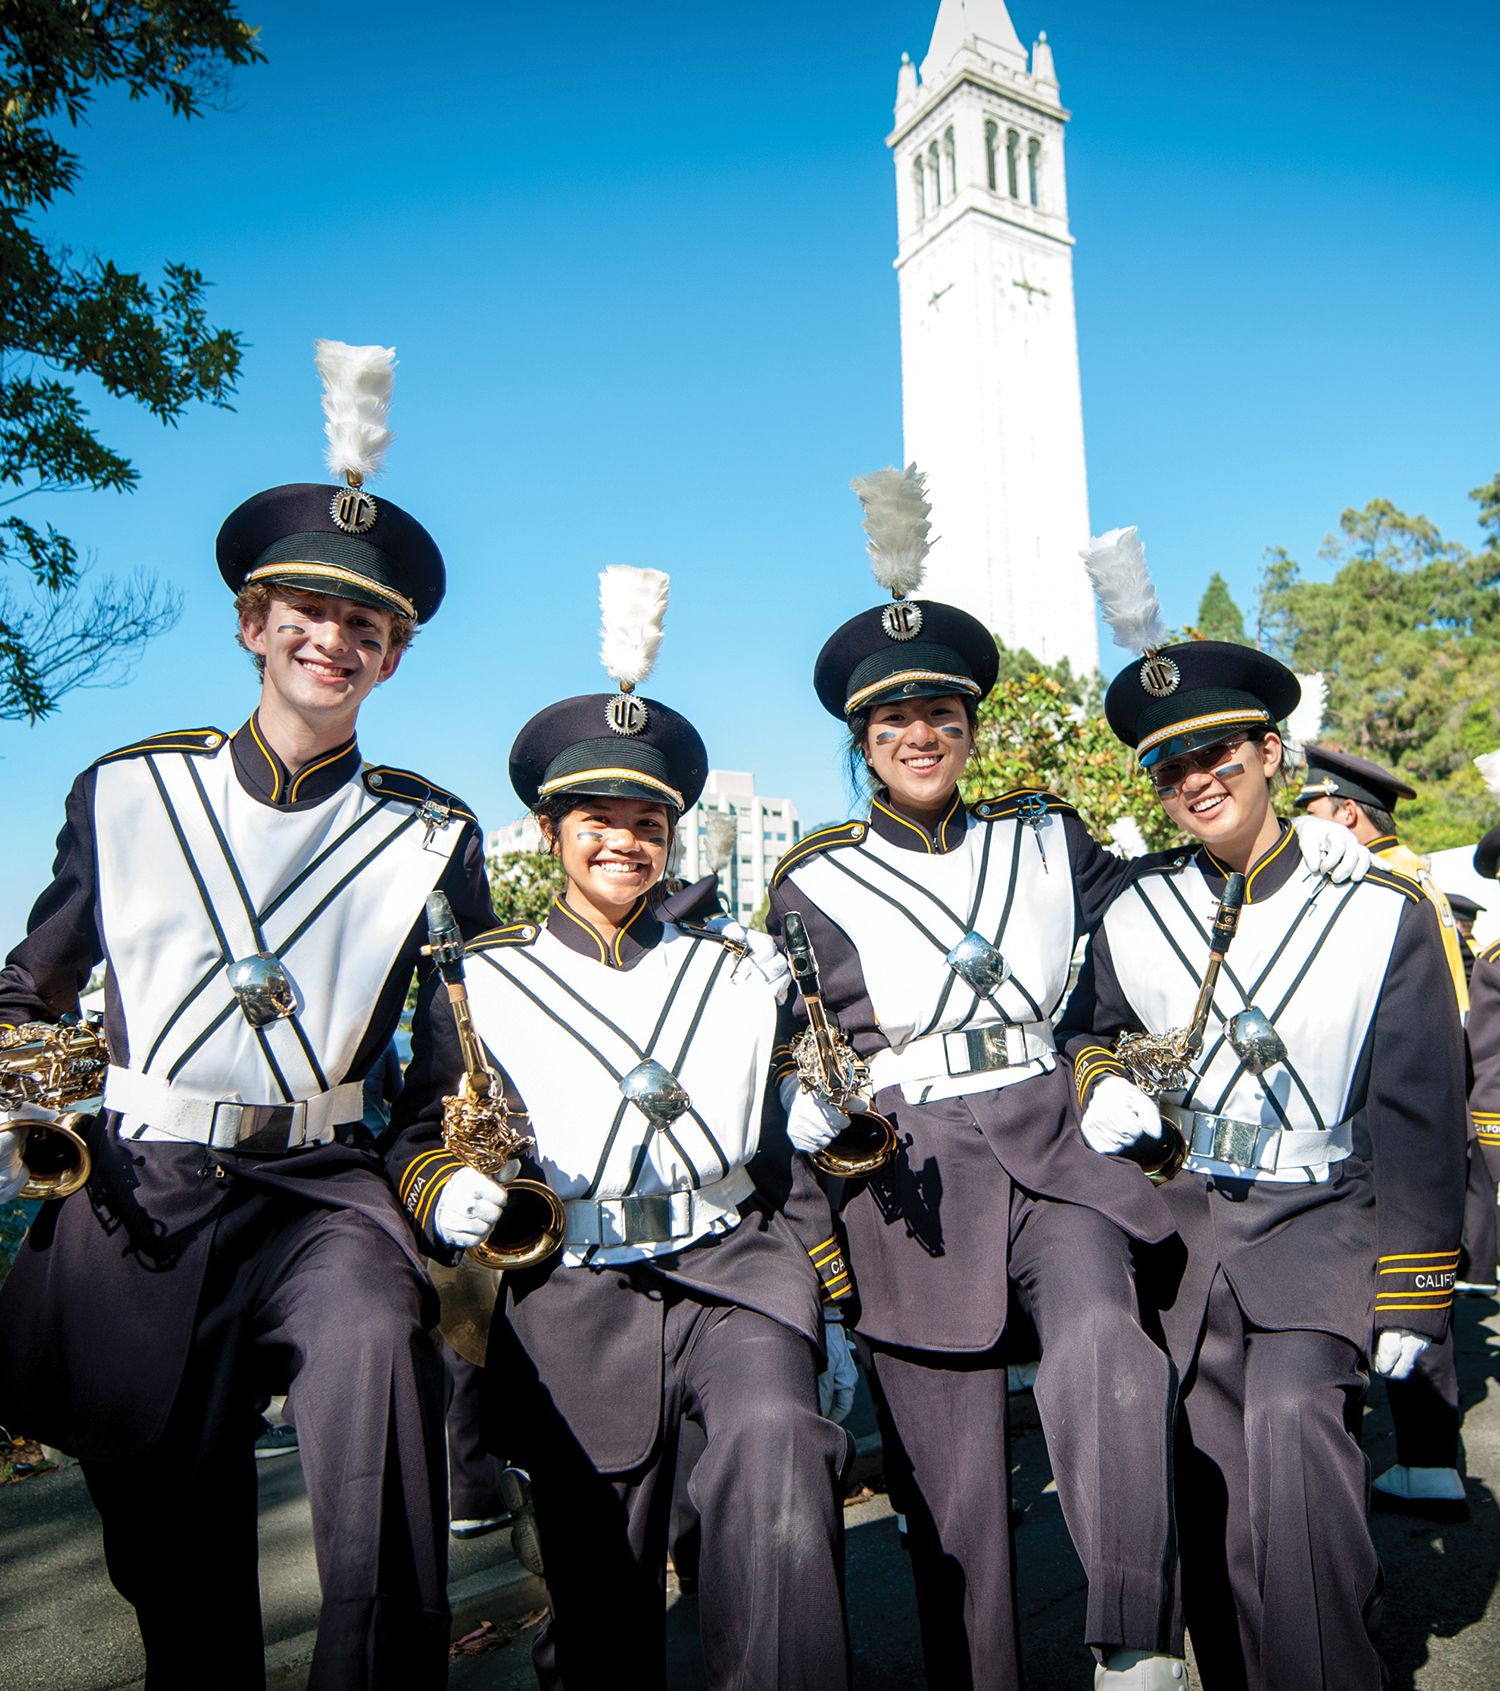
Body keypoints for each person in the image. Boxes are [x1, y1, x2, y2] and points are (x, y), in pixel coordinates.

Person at [763, 482, 1367, 1691]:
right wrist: (807, 1107)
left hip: (1057, 1143)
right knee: (956, 1492)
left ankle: (1135, 1636)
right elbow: (801, 1042)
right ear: (861, 739)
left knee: (1105, 1339)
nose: (920, 733)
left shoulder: (1049, 834)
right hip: (911, 1178)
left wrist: (1304, 858)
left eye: (941, 711)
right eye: (893, 721)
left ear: (974, 726)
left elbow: (1166, 917)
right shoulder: (807, 879)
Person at [0, 342, 493, 1691]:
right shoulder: (126, 790)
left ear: (391, 660)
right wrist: (17, 1088)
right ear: (250, 620)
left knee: (377, 1341)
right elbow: (30, 978)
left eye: (367, 626)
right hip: (140, 1191)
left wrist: (451, 1175)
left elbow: (450, 1064)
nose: (333, 637)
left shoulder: (432, 831)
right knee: (173, 1573)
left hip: (325, 1186)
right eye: (307, 610)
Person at [389, 566, 854, 1691]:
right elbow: (415, 1129)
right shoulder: (475, 981)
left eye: (649, 822)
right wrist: (445, 1179)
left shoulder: (740, 966)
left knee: (780, 1452)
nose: (626, 841)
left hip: (737, 1268)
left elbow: (785, 1153)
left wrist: (827, 1294)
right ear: (550, 831)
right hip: (572, 1296)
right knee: (601, 1601)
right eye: (598, 818)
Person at [1057, 560, 1467, 1691]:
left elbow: (1422, 1112)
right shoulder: (1134, 903)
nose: (1195, 777)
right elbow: (1085, 1024)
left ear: (1271, 751)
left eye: (1218, 752)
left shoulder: (1376, 906)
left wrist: (1419, 1286)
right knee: (1206, 1476)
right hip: (1181, 1232)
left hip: (1320, 1222)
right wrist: (1098, 1079)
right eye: (1169, 762)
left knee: (1295, 1435)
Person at [1295, 744, 1477, 1519]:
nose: (1298, 822)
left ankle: (1425, 1457)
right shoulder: (1409, 878)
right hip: (1398, 1098)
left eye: (1309, 808)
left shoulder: (1388, 882)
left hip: (1382, 1103)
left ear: (1346, 812)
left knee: (1404, 1267)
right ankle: (1425, 1457)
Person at [1297, 744, 1469, 1012]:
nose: (1309, 827)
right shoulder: (1406, 861)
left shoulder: (1378, 876)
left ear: (1348, 812)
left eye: (1312, 816)